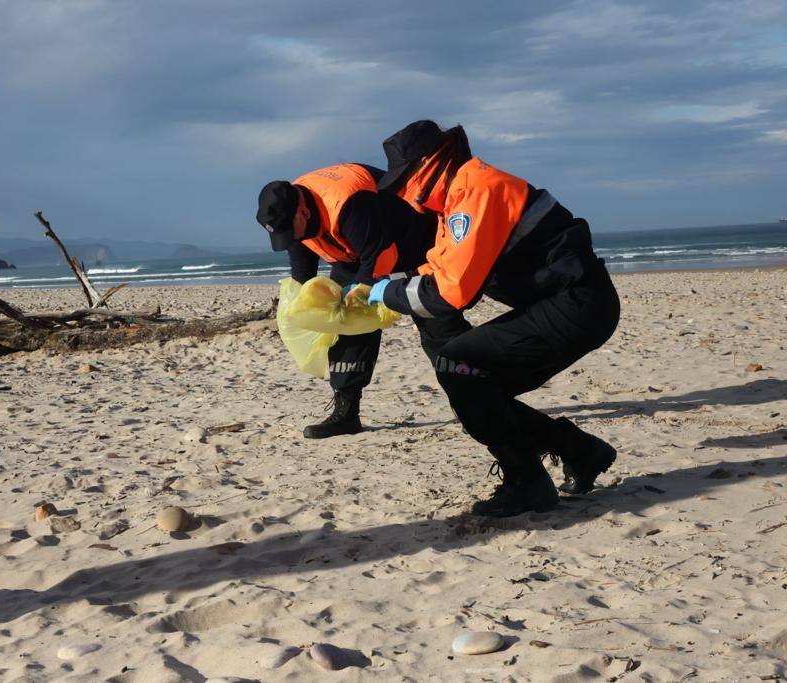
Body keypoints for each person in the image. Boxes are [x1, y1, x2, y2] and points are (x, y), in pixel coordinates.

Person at [367, 120, 620, 517]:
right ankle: (580, 452)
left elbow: (451, 294)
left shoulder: (476, 191)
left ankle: (529, 482)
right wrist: (384, 287)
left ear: (428, 164)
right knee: (472, 384)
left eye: (404, 181)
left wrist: (387, 294)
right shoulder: (457, 196)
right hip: (567, 302)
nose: (405, 195)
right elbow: (438, 267)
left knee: (459, 367)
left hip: (578, 304)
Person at [257, 163, 435, 438]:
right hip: (354, 251)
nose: (288, 239)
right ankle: (347, 413)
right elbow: (303, 266)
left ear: (303, 212)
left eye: (289, 232)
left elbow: (379, 256)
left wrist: (361, 292)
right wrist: (308, 303)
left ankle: (470, 395)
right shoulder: (289, 213)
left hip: (410, 241)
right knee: (343, 322)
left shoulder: (348, 202)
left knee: (433, 316)